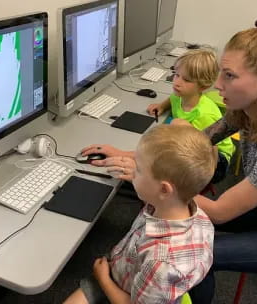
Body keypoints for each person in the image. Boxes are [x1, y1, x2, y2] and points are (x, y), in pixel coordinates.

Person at [83, 18, 257, 303]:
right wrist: (127, 156)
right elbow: (188, 145)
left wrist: (146, 177)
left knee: (197, 257)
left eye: (229, 76)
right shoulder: (247, 109)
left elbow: (221, 212)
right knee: (185, 229)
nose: (218, 85)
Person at [64, 125, 217, 304]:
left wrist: (103, 279)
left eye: (138, 169)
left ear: (164, 189)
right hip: (128, 271)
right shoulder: (193, 216)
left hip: (120, 288)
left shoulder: (160, 264)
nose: (131, 171)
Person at [147, 49, 235, 182]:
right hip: (197, 145)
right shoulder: (181, 95)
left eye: (186, 80)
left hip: (216, 160)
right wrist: (161, 106)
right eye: (176, 75)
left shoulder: (204, 115)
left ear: (202, 86)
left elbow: (210, 149)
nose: (177, 82)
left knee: (168, 141)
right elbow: (172, 99)